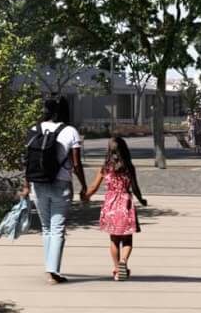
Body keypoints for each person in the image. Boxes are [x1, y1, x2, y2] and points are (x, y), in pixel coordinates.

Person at [22, 96, 84, 283]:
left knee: (46, 227)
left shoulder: (34, 129)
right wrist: (84, 185)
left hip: (37, 183)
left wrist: (26, 185)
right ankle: (53, 272)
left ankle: (50, 268)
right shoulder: (70, 131)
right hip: (61, 183)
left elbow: (27, 161)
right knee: (57, 229)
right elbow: (76, 163)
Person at [91, 135, 145, 280]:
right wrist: (141, 199)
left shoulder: (105, 168)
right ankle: (123, 262)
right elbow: (135, 187)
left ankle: (116, 269)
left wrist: (86, 195)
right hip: (125, 204)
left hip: (111, 205)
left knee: (114, 240)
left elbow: (94, 187)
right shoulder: (129, 168)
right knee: (127, 240)